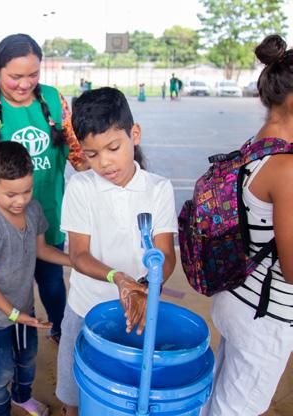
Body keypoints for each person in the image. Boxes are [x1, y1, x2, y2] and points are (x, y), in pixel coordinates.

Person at [0, 33, 88, 345]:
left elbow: (79, 155)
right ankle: (8, 334)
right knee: (5, 281)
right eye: (15, 77)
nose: (25, 84)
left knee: (51, 279)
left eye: (33, 75)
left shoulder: (53, 100)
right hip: (1, 222)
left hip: (47, 212)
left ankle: (59, 328)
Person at [56, 87, 177, 416]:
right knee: (73, 393)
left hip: (137, 310)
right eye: (92, 154)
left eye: (113, 148)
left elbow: (166, 254)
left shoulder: (158, 188)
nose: (105, 162)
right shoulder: (81, 187)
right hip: (84, 308)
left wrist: (145, 288)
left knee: (123, 390)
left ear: (134, 134)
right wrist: (118, 278)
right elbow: (79, 255)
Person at [199, 34, 293, 416]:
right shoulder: (287, 169)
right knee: (236, 408)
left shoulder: (255, 146)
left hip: (235, 297)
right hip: (265, 316)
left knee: (221, 393)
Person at [0, 141, 71, 416]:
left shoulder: (33, 209)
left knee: (27, 360)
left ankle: (22, 397)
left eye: (27, 191)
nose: (20, 201)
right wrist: (14, 315)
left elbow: (42, 250)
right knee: (0, 372)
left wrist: (75, 261)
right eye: (11, 194)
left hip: (25, 309)